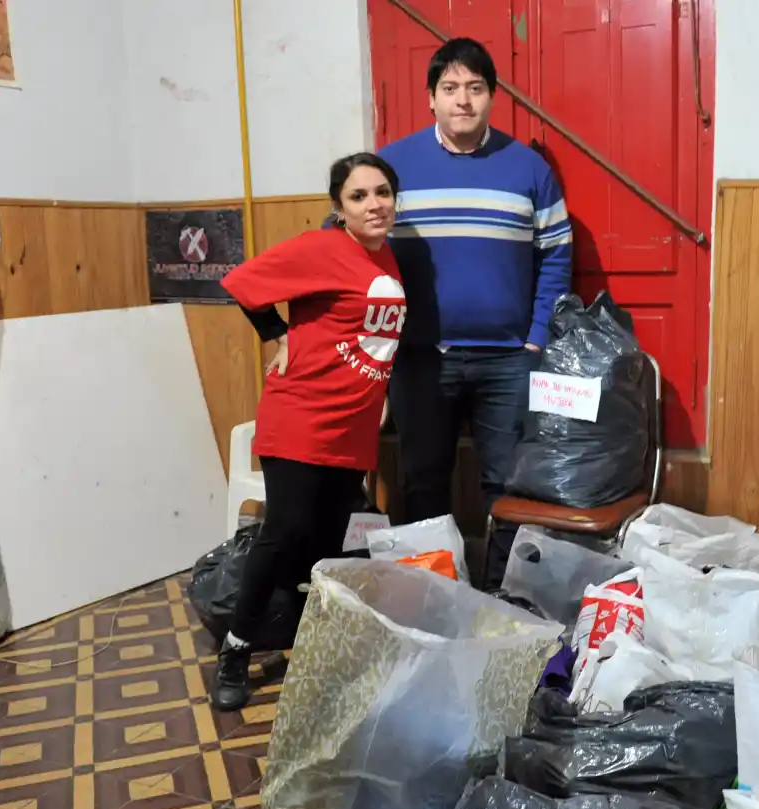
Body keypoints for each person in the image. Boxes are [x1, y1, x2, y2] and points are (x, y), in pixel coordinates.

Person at [210, 152, 406, 711]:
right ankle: (236, 647)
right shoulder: (323, 248)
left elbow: (373, 337)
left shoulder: (387, 257)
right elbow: (243, 282)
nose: (375, 204)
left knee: (327, 541)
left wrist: (381, 391)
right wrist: (277, 335)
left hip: (353, 425)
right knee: (285, 531)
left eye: (383, 193)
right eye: (360, 196)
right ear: (339, 208)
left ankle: (311, 642)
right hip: (302, 414)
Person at [378, 37, 573, 583]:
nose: (463, 99)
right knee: (423, 481)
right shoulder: (393, 165)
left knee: (507, 486)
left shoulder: (528, 169)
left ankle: (500, 598)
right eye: (450, 88)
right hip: (420, 357)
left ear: (492, 97)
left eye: (475, 88)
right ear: (431, 99)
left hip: (509, 360)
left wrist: (535, 339)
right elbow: (348, 245)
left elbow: (557, 256)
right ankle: (430, 593)